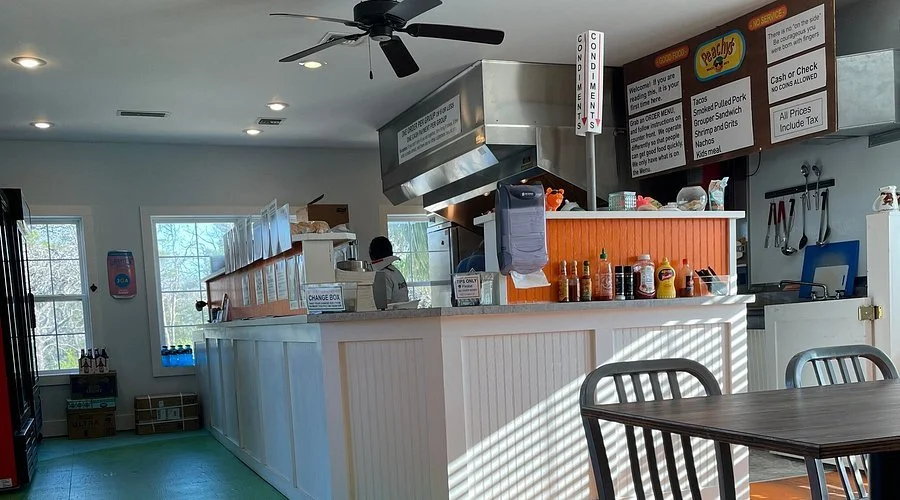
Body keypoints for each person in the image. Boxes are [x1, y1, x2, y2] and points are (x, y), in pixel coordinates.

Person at [369, 236, 409, 308]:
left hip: (393, 316)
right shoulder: (395, 271)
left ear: (372, 256)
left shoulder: (383, 275)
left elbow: (384, 306)